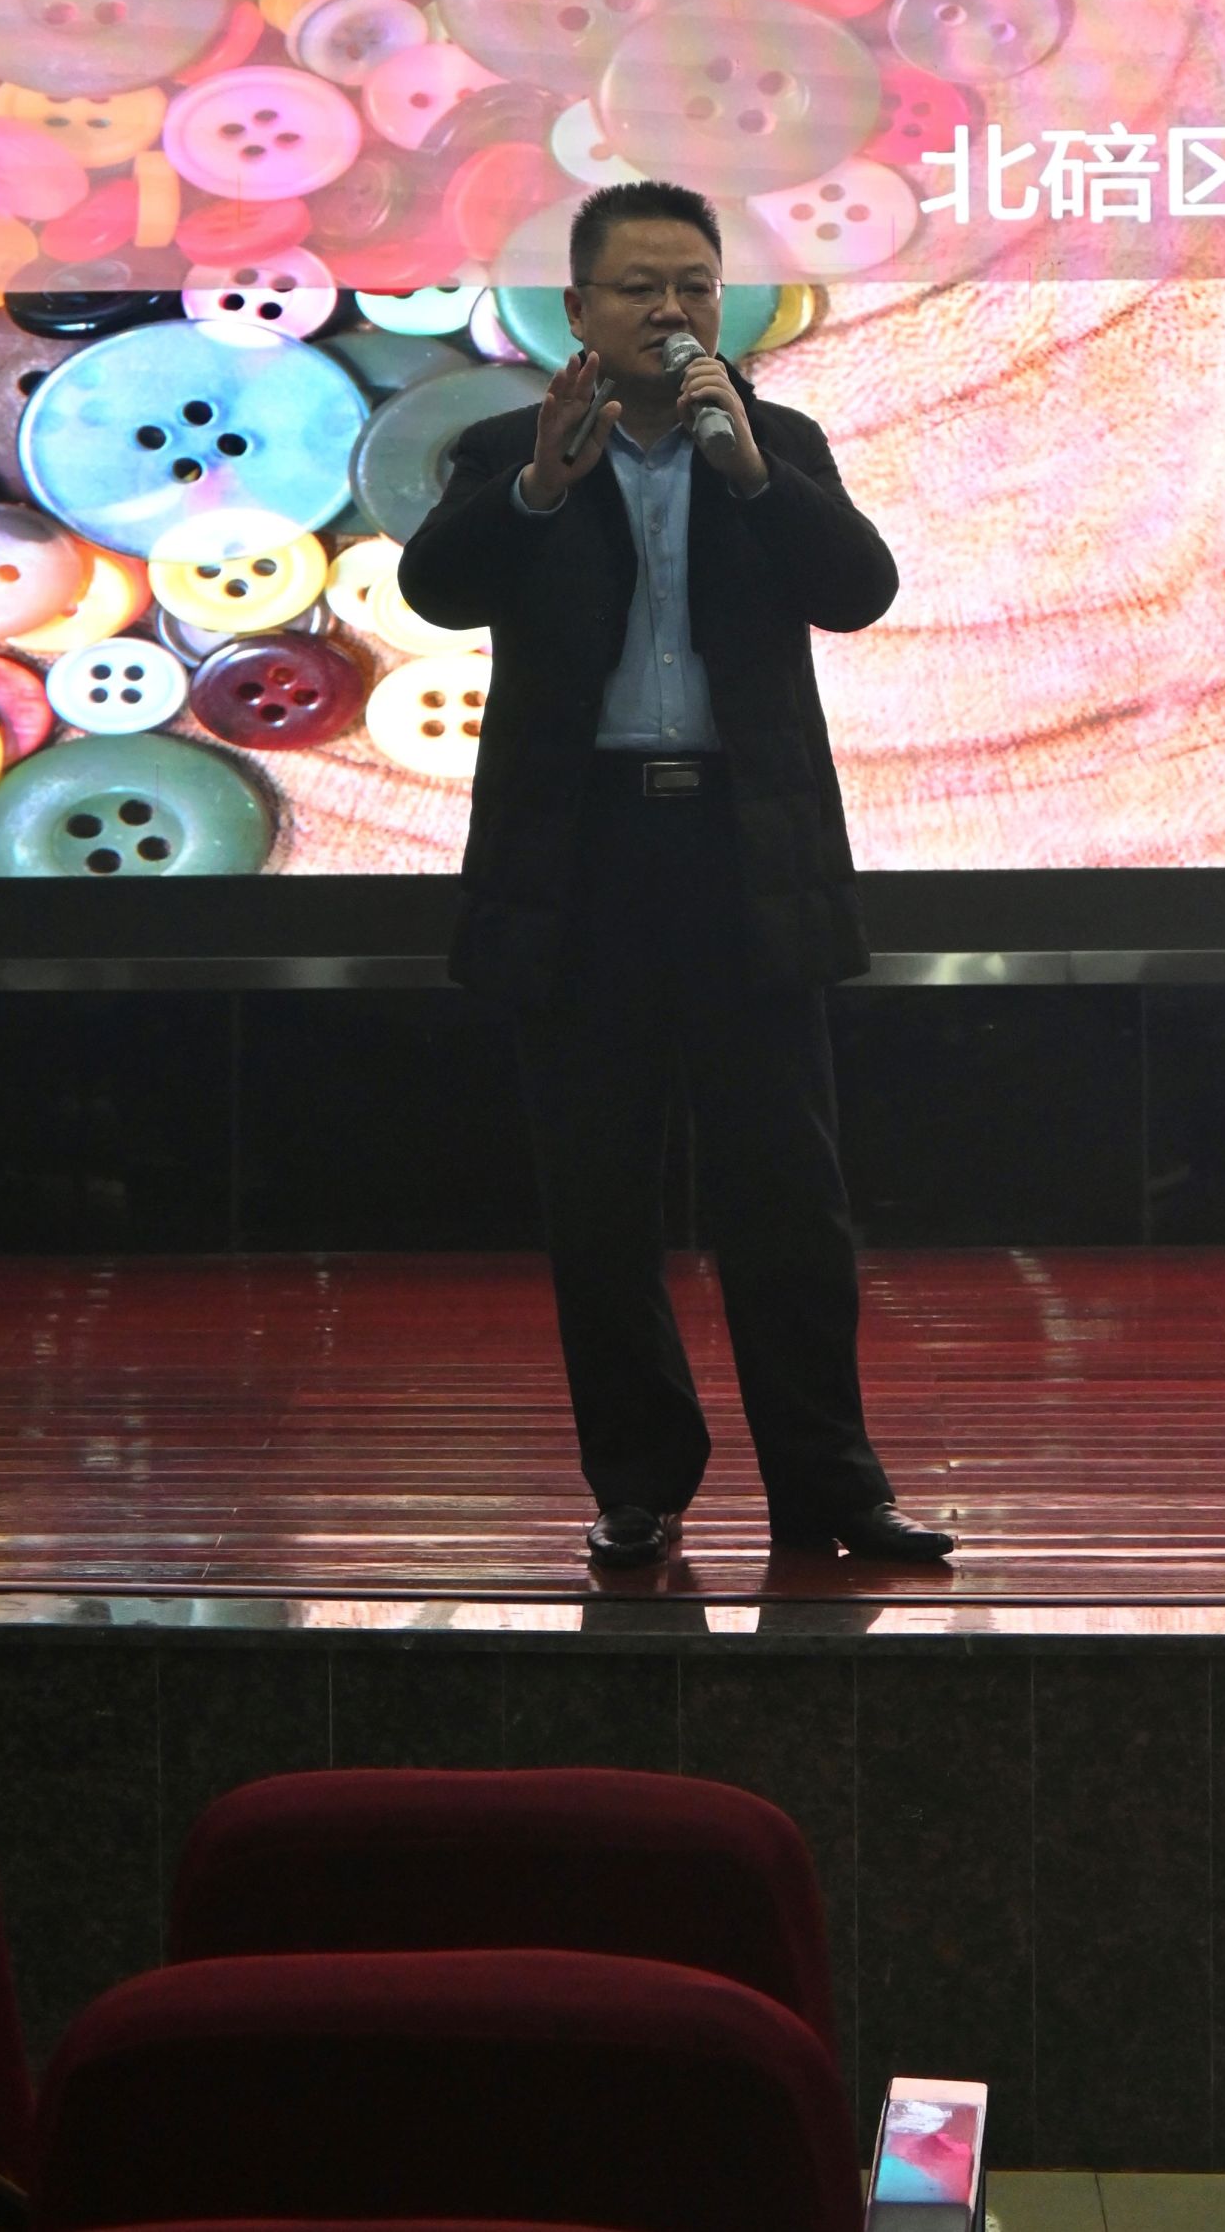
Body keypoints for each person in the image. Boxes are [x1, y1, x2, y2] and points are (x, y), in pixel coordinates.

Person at [398, 179, 954, 1573]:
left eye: (694, 286)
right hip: (581, 861)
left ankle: (831, 1489)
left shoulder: (776, 442)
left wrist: (754, 472)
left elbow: (859, 591)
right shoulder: (507, 449)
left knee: (789, 1198)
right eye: (639, 287)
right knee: (600, 1202)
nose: (671, 311)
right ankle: (638, 1484)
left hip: (741, 855)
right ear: (576, 309)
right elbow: (437, 591)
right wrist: (541, 486)